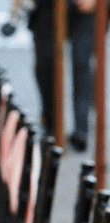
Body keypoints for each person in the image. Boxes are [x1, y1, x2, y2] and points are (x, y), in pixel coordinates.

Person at [29, 0, 98, 151]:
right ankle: (51, 124)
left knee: (82, 64)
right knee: (46, 64)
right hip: (47, 7)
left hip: (84, 8)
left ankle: (81, 130)